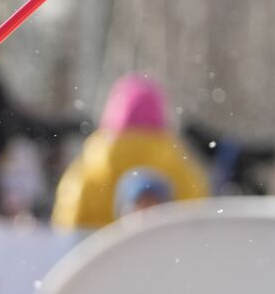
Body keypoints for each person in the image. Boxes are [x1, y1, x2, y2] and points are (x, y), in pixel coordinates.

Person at [52, 72, 209, 229]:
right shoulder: (178, 166)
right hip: (167, 251)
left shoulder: (89, 168)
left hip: (103, 252)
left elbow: (67, 224)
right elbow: (199, 223)